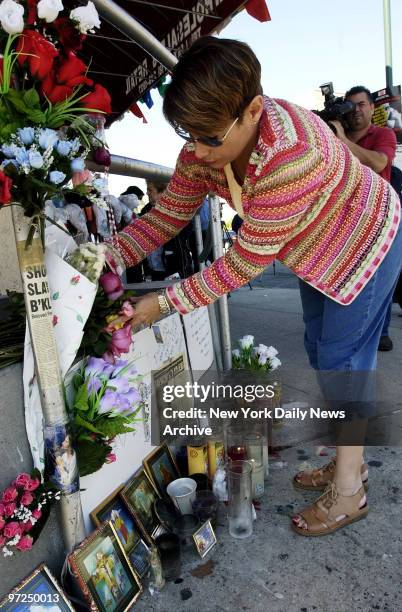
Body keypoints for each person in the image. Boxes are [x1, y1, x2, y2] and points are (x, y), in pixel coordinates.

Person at [107, 37, 401, 536]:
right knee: (319, 348)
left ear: (253, 110)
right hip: (315, 250)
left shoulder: (292, 154)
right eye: (188, 135)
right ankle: (350, 459)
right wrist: (105, 259)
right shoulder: (206, 140)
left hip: (367, 237)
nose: (196, 150)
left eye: (208, 137)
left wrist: (161, 304)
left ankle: (350, 490)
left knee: (343, 360)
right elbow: (167, 217)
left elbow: (241, 264)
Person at [329, 86, 397, 351]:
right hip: (343, 220)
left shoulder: (383, 134)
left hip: (377, 221)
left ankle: (381, 330)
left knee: (379, 282)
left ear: (371, 107)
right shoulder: (334, 135)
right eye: (350, 106)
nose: (355, 110)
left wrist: (343, 141)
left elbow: (379, 163)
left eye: (361, 104)